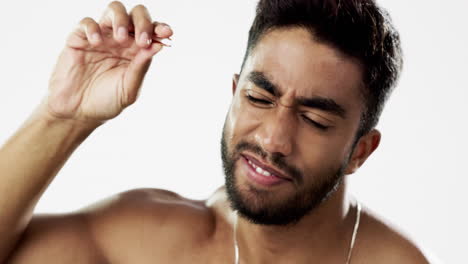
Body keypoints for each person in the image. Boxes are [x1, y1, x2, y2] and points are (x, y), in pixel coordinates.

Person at [0, 0, 437, 263]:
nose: (272, 139)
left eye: (314, 120)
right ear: (233, 93)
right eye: (259, 99)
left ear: (361, 150)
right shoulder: (152, 241)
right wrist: (64, 117)